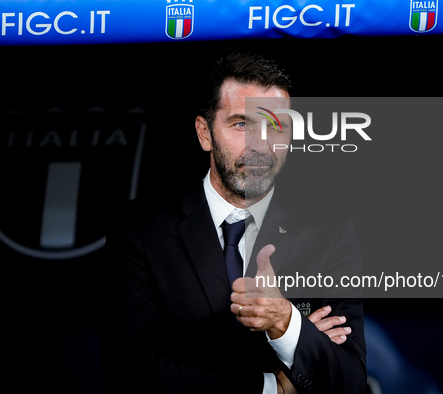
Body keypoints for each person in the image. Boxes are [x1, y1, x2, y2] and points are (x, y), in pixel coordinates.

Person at [100, 50, 366, 394]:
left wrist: (284, 321)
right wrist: (271, 385)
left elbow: (350, 382)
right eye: (241, 123)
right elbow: (128, 373)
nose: (260, 145)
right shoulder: (140, 229)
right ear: (204, 133)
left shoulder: (329, 231)